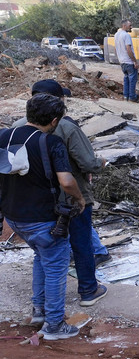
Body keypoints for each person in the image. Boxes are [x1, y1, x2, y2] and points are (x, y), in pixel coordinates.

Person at [13, 80, 110, 307]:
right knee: (81, 243)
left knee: (44, 252)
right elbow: (87, 164)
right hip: (70, 199)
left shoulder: (17, 128)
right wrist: (101, 163)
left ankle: (42, 302)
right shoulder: (66, 127)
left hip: (35, 202)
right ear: (59, 102)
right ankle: (87, 290)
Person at [0, 94, 87, 339]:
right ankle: (55, 325)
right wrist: (80, 200)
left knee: (41, 257)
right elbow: (67, 182)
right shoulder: (51, 142)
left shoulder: (4, 136)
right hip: (43, 218)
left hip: (14, 216)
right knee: (56, 267)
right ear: (54, 120)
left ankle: (39, 310)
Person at [114, 19, 139, 102]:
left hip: (122, 61)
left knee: (126, 78)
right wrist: (135, 61)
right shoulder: (126, 35)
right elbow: (128, 49)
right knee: (132, 79)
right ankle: (132, 97)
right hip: (129, 61)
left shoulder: (116, 34)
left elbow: (116, 48)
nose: (131, 27)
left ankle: (126, 96)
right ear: (124, 26)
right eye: (129, 25)